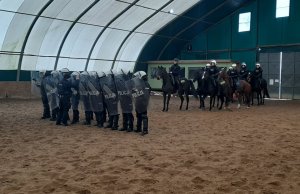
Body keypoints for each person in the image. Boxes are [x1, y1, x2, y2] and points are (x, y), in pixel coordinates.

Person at [132, 71, 151, 136]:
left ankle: (145, 130)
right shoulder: (142, 83)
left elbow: (145, 93)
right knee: (138, 115)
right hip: (139, 101)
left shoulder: (145, 84)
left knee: (143, 116)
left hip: (142, 102)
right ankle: (139, 128)